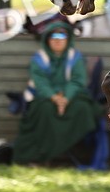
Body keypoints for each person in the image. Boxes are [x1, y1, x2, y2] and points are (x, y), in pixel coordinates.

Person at [12, 21, 99, 165]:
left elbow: (78, 80)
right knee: (44, 111)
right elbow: (40, 83)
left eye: (62, 37)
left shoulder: (75, 57)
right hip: (45, 97)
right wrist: (55, 98)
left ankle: (80, 157)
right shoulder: (39, 59)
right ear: (47, 40)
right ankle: (42, 157)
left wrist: (65, 98)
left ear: (68, 39)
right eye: (54, 37)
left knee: (83, 109)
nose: (58, 41)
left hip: (71, 97)